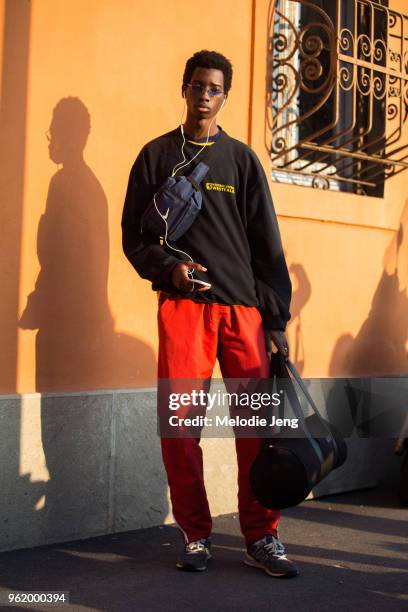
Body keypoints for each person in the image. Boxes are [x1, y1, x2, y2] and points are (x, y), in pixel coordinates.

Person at [122, 50, 298, 578]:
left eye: (215, 88)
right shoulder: (154, 156)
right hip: (184, 309)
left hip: (243, 311)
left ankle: (261, 537)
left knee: (255, 429)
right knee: (179, 428)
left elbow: (268, 245)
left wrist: (275, 322)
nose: (205, 94)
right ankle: (195, 535)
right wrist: (169, 270)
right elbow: (135, 238)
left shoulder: (242, 161)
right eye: (198, 85)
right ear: (185, 88)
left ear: (225, 96)